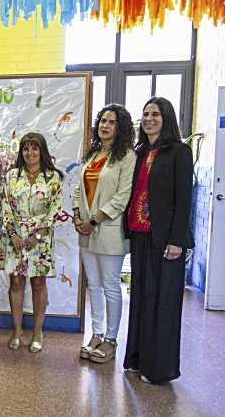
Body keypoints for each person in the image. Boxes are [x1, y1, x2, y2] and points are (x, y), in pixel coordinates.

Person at [123, 97, 193, 384]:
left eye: (155, 114)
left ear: (167, 119)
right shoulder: (139, 153)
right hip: (140, 235)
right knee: (141, 298)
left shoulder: (179, 151)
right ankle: (138, 360)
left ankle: (159, 369)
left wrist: (177, 240)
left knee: (162, 303)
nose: (149, 119)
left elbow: (184, 199)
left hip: (166, 240)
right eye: (145, 114)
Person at [72, 104, 136, 363]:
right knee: (93, 285)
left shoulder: (127, 156)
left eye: (111, 122)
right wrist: (78, 216)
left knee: (110, 285)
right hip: (86, 230)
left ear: (120, 128)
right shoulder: (93, 155)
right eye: (102, 121)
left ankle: (111, 338)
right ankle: (96, 333)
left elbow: (122, 197)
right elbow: (78, 189)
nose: (105, 126)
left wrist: (94, 220)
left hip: (109, 231)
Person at [1, 132, 63, 352]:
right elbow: (5, 206)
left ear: (42, 151)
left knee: (38, 283)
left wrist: (36, 236)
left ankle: (38, 332)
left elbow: (55, 210)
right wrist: (13, 235)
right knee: (16, 283)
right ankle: (17, 330)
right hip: (15, 238)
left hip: (40, 239)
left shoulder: (53, 177)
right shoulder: (11, 176)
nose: (30, 153)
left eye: (34, 148)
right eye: (26, 149)